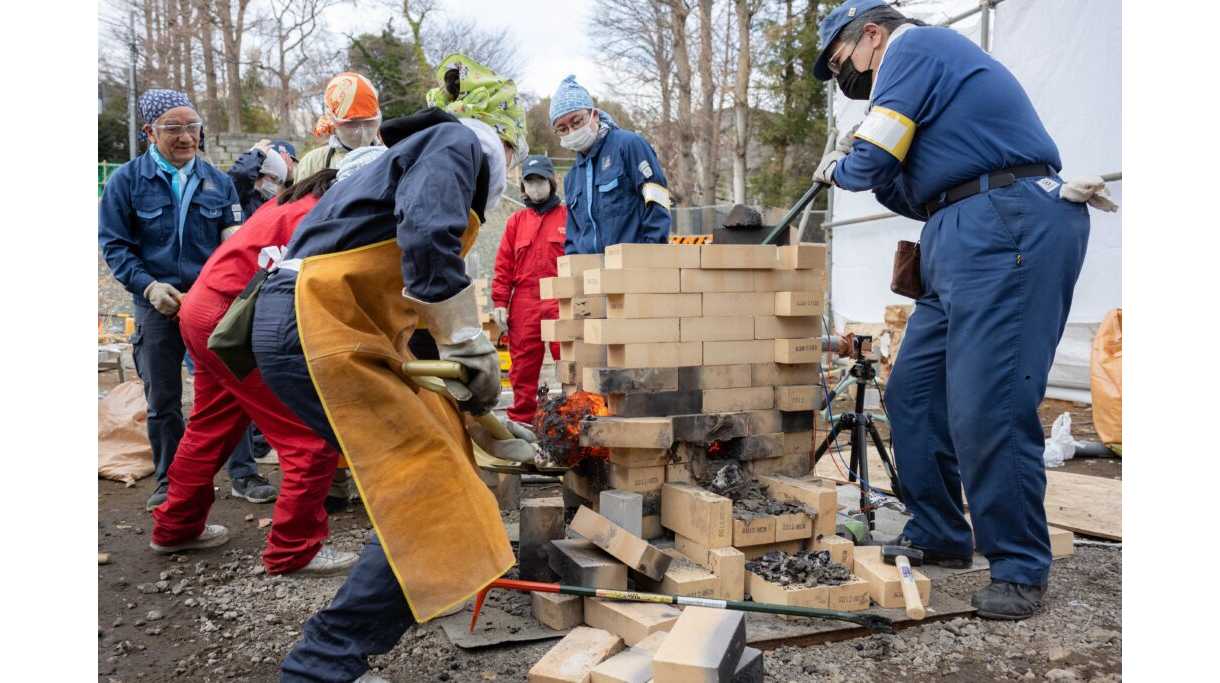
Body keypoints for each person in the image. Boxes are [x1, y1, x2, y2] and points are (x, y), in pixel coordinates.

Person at [811, 0, 1115, 620]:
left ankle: (1019, 565)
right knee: (914, 396)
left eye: (843, 60)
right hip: (955, 229)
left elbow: (870, 164)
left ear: (872, 34)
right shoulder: (911, 85)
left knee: (990, 403)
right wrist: (860, 163)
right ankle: (942, 529)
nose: (846, 76)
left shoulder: (916, 49)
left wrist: (848, 164)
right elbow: (895, 184)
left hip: (1008, 220)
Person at [250, 55, 534, 682]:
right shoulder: (460, 139)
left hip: (321, 322)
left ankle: (330, 662)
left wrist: (480, 417)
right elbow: (426, 233)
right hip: (318, 323)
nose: (509, 168)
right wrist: (466, 336)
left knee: (435, 470)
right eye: (512, 154)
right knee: (431, 493)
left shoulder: (419, 150)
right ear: (504, 138)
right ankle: (318, 670)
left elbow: (404, 298)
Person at [148, 165, 365, 576]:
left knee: (211, 427)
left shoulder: (293, 201)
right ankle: (293, 551)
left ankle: (174, 528)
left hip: (204, 311)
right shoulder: (322, 217)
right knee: (311, 434)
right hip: (235, 324)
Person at [99, 89, 278, 511]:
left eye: (192, 127)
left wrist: (234, 265)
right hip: (155, 303)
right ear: (149, 132)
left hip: (209, 304)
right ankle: (168, 481)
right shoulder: (127, 180)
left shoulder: (218, 182)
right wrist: (148, 287)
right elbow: (115, 244)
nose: (185, 136)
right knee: (163, 400)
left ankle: (244, 474)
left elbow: (231, 241)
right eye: (173, 128)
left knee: (230, 390)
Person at [549, 75, 672, 254]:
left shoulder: (629, 146)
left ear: (594, 115)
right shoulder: (572, 178)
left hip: (634, 266)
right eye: (563, 128)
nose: (572, 131)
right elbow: (573, 235)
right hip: (594, 275)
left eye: (577, 121)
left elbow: (657, 199)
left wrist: (651, 253)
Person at [491, 155, 566, 424]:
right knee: (522, 366)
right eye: (529, 182)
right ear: (523, 186)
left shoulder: (569, 217)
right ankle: (522, 421)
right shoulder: (516, 222)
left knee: (570, 362)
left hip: (561, 298)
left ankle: (575, 416)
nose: (535, 188)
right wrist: (500, 302)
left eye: (540, 182)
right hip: (525, 301)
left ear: (551, 183)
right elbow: (504, 265)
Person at [294, 72, 382, 182]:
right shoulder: (312, 163)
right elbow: (299, 198)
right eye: (352, 124)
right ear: (332, 121)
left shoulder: (389, 156)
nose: (361, 130)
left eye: (369, 122)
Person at [228, 138, 298, 220]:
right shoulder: (245, 195)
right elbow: (241, 174)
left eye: (289, 162)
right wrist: (257, 154)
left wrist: (288, 182)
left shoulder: (275, 196)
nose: (285, 166)